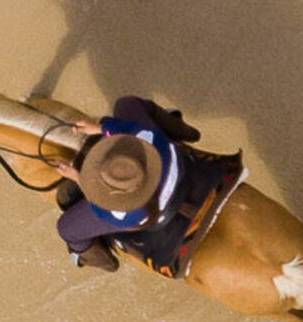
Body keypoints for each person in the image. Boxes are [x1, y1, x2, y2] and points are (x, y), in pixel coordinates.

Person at [52, 96, 243, 276]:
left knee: (68, 230)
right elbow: (127, 128)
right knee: (126, 104)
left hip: (161, 211)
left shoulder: (119, 213)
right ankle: (183, 130)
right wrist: (100, 127)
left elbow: (95, 201)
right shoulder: (148, 137)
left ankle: (104, 261)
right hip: (178, 171)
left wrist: (76, 176)